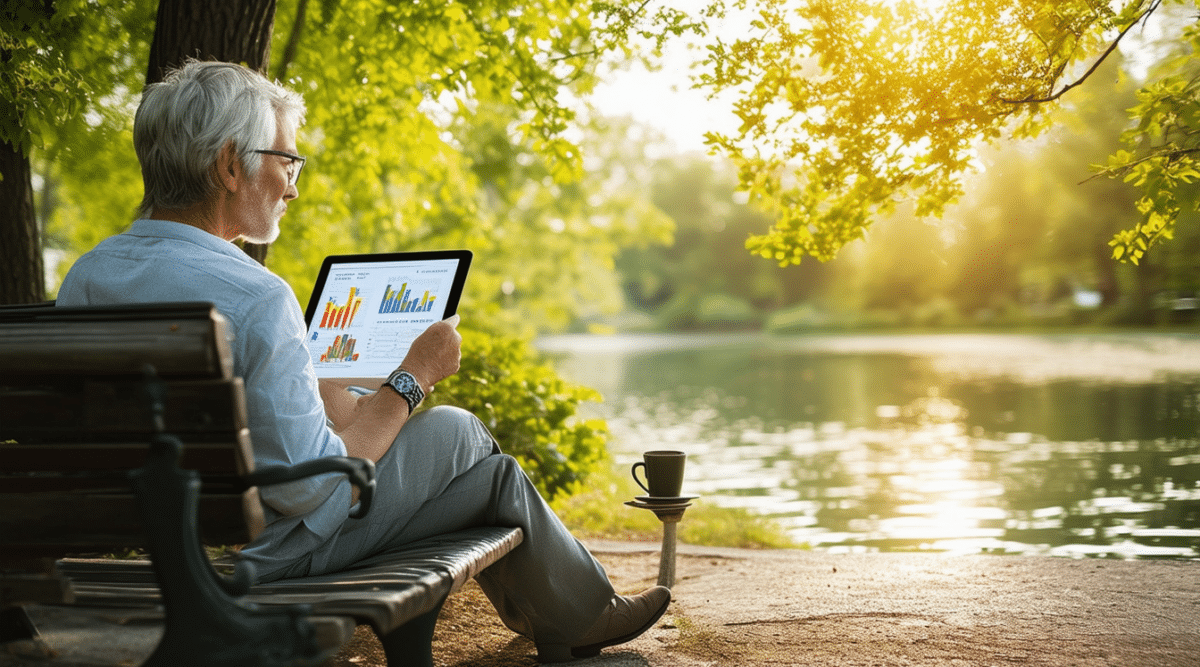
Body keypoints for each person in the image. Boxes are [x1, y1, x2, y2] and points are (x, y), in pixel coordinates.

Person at [55, 59, 669, 663]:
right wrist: (413, 377)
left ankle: (579, 614)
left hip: (150, 542)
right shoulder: (257, 297)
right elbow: (310, 490)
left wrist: (324, 396)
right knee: (460, 433)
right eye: (286, 160)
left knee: (494, 478)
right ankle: (583, 616)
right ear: (229, 167)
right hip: (257, 555)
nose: (294, 183)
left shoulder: (90, 275)